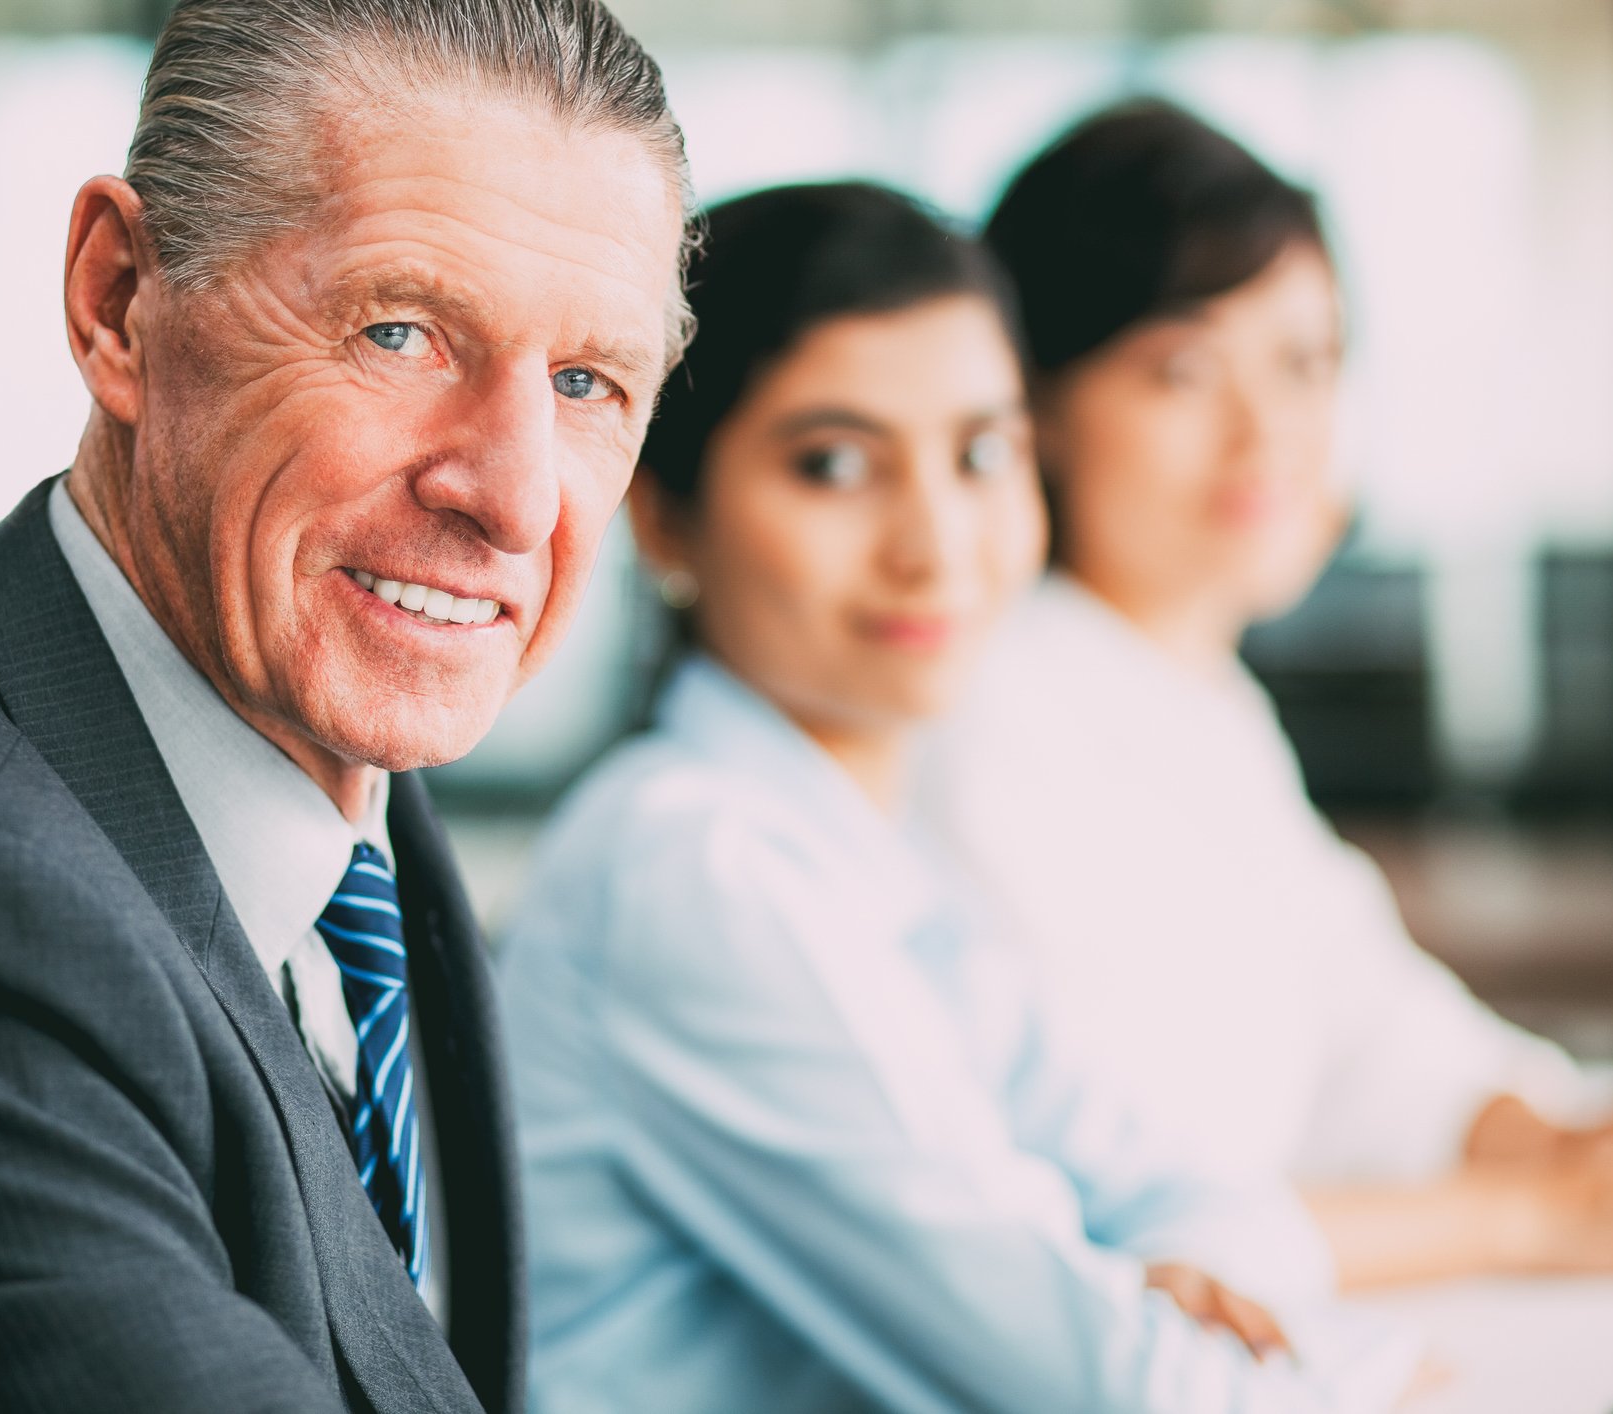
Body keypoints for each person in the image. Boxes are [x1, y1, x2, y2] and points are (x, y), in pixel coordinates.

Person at [0, 1, 689, 1408]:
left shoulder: (327, 778)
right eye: (401, 332)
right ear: (117, 301)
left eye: (588, 381)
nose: (519, 496)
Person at [497, 182, 1420, 1414]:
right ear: (662, 516)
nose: (937, 540)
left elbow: (1190, 1195)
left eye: (984, 454)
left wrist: (1152, 1277)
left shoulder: (876, 864)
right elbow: (1106, 1387)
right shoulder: (692, 866)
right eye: (835, 465)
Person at [918, 99, 1613, 1290]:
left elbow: (1369, 1030)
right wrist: (1539, 1217)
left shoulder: (1202, 705)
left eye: (1306, 363)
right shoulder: (984, 714)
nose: (1270, 430)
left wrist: (1574, 1137)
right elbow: (1118, 1217)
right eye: (1183, 370)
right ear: (1033, 410)